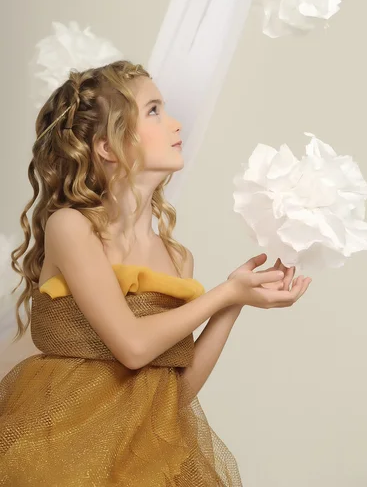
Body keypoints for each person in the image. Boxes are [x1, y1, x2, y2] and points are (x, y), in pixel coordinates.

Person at [0, 60, 312, 486]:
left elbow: (173, 397)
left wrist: (236, 302)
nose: (176, 124)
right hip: (59, 451)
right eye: (154, 111)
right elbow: (132, 346)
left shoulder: (176, 258)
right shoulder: (71, 227)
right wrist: (223, 293)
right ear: (107, 147)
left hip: (139, 461)